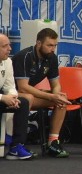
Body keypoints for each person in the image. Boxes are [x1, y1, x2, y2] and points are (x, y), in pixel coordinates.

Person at [13, 27, 71, 158]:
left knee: (62, 98)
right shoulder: (25, 56)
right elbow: (23, 87)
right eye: (49, 45)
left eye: (55, 45)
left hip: (29, 95)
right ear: (38, 43)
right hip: (12, 93)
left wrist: (56, 95)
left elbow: (55, 84)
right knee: (28, 97)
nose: (53, 48)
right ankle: (19, 143)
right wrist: (51, 96)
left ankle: (53, 142)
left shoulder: (52, 58)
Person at [0, 33, 32, 160]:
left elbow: (10, 86)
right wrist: (2, 98)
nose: (10, 49)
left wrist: (12, 97)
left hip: (1, 97)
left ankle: (16, 147)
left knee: (23, 102)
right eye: (5, 46)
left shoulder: (7, 62)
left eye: (10, 45)